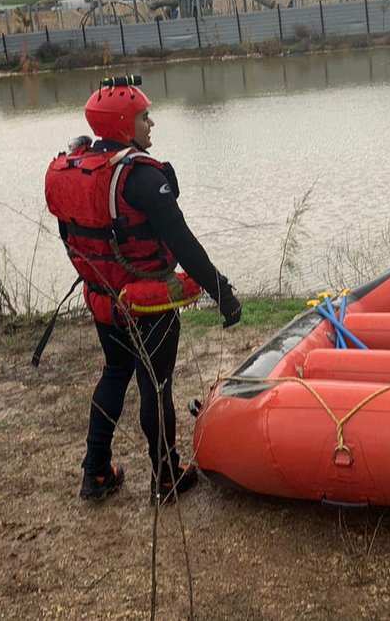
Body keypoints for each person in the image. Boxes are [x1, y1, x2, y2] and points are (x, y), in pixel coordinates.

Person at [45, 75, 242, 505]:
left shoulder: (77, 167)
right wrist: (221, 291)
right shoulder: (141, 178)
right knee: (156, 386)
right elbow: (184, 243)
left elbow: (71, 234)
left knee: (115, 373)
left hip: (103, 299)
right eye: (143, 117)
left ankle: (95, 472)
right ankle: (167, 476)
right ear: (121, 124)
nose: (151, 124)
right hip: (146, 302)